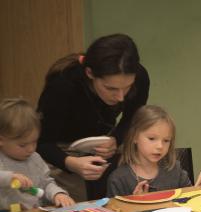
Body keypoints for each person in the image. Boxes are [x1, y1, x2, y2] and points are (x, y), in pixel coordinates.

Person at [37, 33, 150, 201]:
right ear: (90, 73)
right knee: (74, 206)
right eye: (111, 88)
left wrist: (116, 139)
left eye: (127, 87)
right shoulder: (62, 86)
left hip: (102, 140)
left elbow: (132, 118)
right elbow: (42, 142)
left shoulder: (139, 77)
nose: (120, 97)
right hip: (61, 150)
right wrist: (70, 163)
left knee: (124, 192)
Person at [107, 105, 201, 197]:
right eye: (152, 138)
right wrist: (135, 203)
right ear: (135, 137)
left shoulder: (175, 170)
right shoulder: (118, 179)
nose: (160, 146)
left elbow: (190, 200)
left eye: (166, 140)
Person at [0, 98, 74, 209]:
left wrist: (57, 193)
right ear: (1, 140)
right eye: (23, 145)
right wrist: (9, 178)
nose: (31, 149)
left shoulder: (34, 158)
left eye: (34, 142)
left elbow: (45, 183)